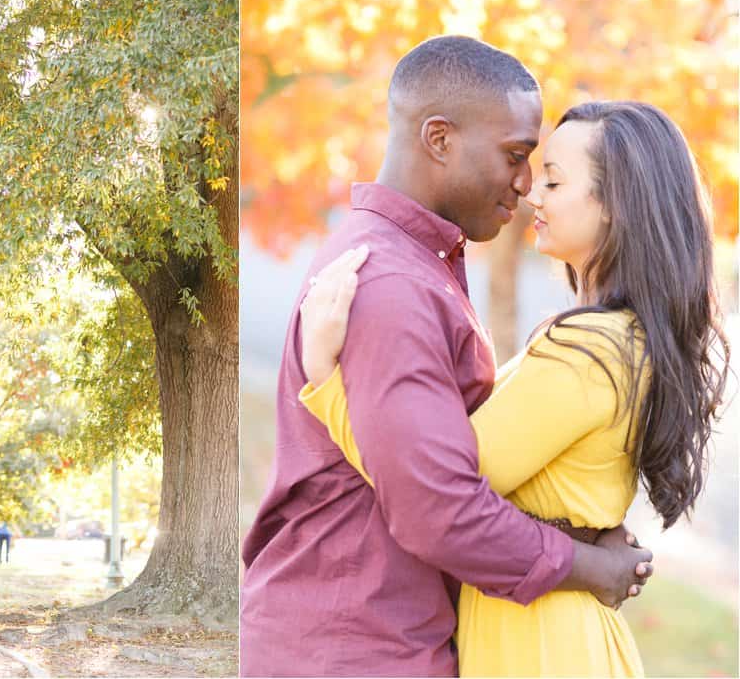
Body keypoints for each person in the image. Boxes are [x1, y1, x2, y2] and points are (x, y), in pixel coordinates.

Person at [240, 37, 655, 677]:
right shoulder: (390, 284)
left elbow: (446, 467)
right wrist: (589, 566)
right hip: (357, 647)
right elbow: (439, 507)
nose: (525, 183)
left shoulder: (419, 267)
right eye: (517, 156)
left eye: (543, 170)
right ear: (439, 139)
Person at [297, 100, 729, 676]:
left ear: (616, 207)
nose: (533, 194)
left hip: (544, 645)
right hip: (545, 628)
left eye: (554, 180)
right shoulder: (616, 338)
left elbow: (435, 482)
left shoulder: (591, 349)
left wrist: (326, 381)